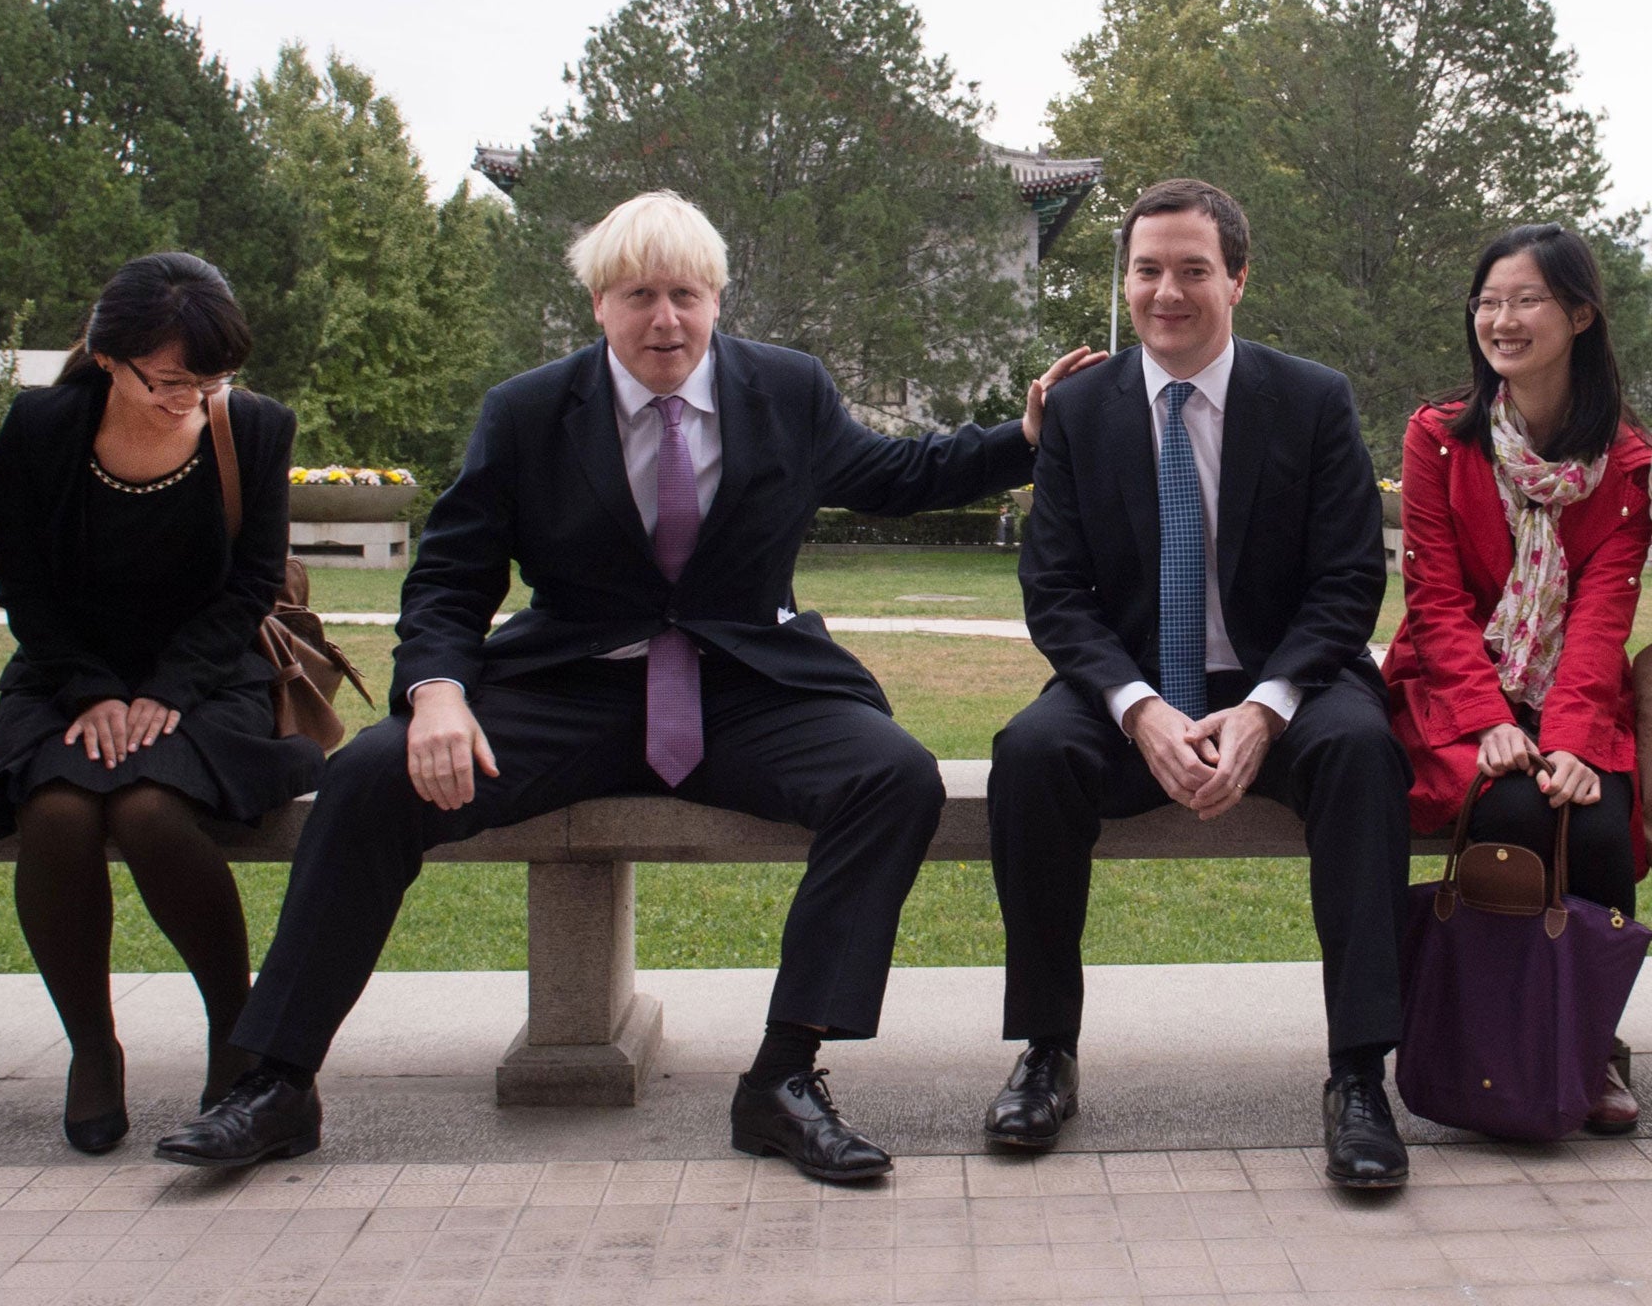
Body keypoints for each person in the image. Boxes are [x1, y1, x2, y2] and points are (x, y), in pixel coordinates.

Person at [153, 189, 1102, 1180]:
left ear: (717, 300)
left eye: (685, 294)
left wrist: (1024, 436)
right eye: (639, 295)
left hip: (745, 689)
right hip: (572, 689)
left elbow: (897, 473)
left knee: (893, 776)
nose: (665, 319)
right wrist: (435, 692)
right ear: (598, 305)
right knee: (371, 777)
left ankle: (780, 1079)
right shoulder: (526, 413)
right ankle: (277, 1083)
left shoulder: (785, 390)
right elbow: (449, 576)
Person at [983, 178, 1414, 1189]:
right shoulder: (1082, 411)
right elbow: (1052, 591)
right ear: (1123, 281)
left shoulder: (1308, 400)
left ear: (1236, 280)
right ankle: (1044, 1051)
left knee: (1360, 752)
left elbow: (1348, 578)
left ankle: (1357, 1075)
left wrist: (1266, 710)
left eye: (1189, 270)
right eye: (1144, 271)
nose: (1163, 291)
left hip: (1284, 682)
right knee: (1030, 754)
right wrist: (1136, 711)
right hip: (1133, 683)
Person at [0, 254, 321, 1154]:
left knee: (148, 809)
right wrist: (94, 691)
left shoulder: (253, 428)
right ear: (109, 357)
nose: (191, 399)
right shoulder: (45, 422)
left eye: (212, 380)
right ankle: (92, 1047)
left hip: (211, 675)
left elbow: (251, 584)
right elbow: (21, 576)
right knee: (60, 811)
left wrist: (166, 694)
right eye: (171, 381)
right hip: (67, 670)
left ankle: (238, 1034)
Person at [1383, 223, 1651, 1135]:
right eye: (1489, 301)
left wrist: (1572, 740)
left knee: (1605, 818)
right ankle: (1500, 1042)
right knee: (1509, 809)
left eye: (1525, 299)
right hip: (1456, 688)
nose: (1502, 319)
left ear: (1580, 314)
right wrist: (1488, 719)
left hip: (1571, 691)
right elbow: (1434, 596)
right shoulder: (1439, 438)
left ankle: (1590, 1040)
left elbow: (1605, 613)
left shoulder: (1626, 468)